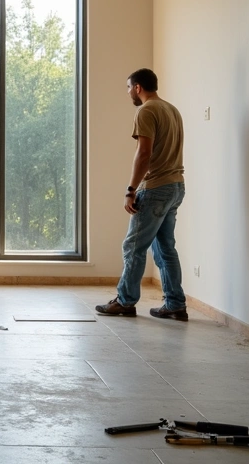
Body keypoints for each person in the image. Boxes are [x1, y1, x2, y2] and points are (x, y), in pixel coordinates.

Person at [96, 68, 189, 320]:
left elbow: (144, 153)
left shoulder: (146, 110)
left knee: (133, 246)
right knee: (165, 248)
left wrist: (131, 189)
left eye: (128, 88)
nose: (128, 93)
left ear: (138, 87)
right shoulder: (172, 110)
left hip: (156, 187)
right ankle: (175, 304)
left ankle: (125, 301)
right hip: (176, 186)